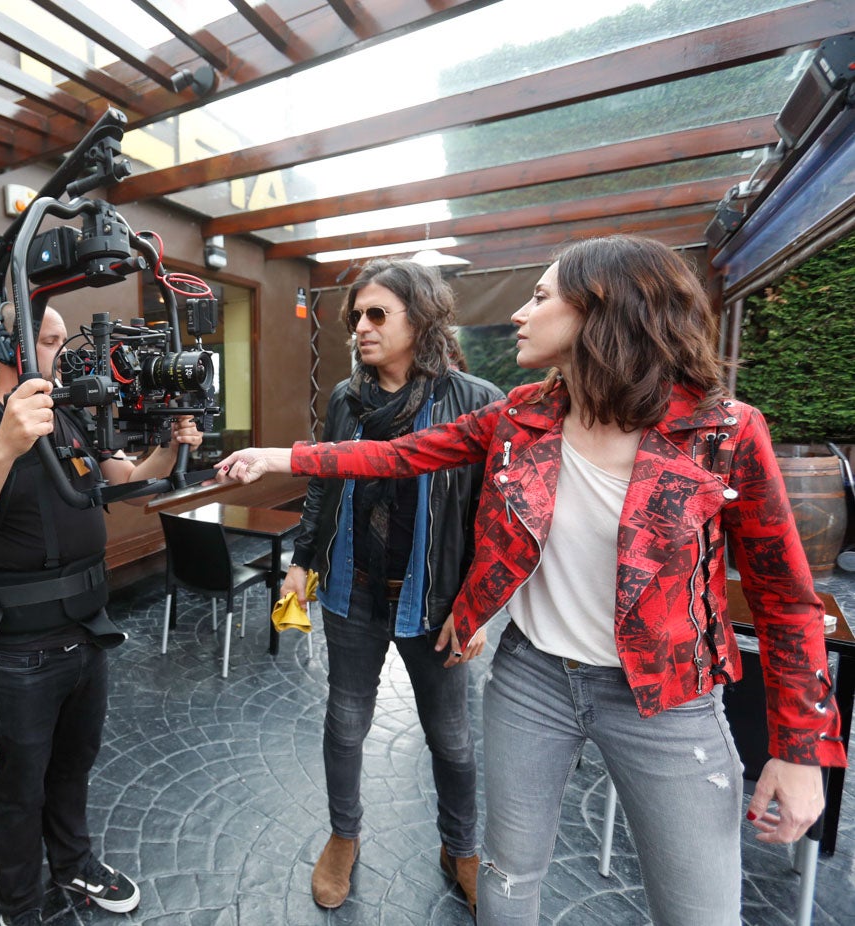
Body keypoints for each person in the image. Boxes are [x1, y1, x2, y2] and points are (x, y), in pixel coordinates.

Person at [214, 235, 846, 926]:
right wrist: (281, 455)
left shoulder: (721, 431)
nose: (519, 313)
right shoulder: (524, 414)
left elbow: (785, 597)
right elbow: (399, 456)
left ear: (601, 312)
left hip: (666, 697)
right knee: (508, 883)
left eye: (540, 297)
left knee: (697, 909)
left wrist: (798, 749)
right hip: (533, 678)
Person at [0, 305, 201, 926]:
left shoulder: (72, 418)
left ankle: (74, 862)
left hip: (87, 631)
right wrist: (8, 439)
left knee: (74, 766)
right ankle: (18, 906)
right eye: (50, 339)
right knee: (22, 785)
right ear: (8, 343)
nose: (65, 350)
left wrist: (167, 446)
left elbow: (126, 483)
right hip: (20, 647)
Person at [286, 259, 502, 913]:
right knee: (344, 725)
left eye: (377, 314)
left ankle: (459, 847)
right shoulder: (346, 401)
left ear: (421, 319)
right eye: (355, 315)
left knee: (452, 740)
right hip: (351, 588)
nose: (360, 326)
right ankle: (343, 839)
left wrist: (478, 605)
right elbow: (324, 480)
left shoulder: (475, 400)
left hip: (435, 599)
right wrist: (302, 559)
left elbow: (493, 515)